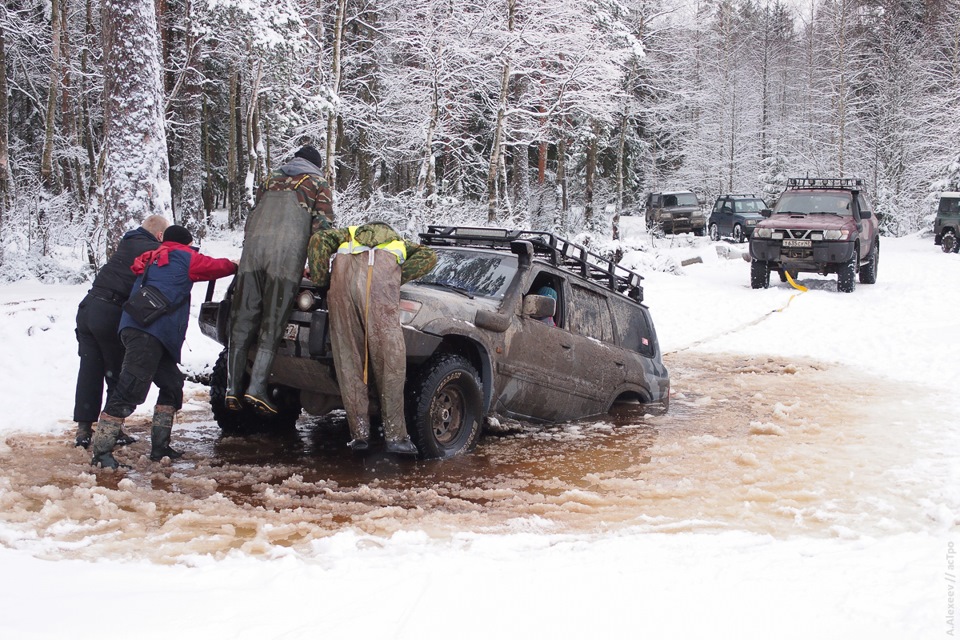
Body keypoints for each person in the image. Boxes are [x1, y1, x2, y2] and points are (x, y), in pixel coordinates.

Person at [90, 225, 237, 469]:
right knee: (130, 388)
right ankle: (102, 452)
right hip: (149, 333)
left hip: (139, 328)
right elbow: (216, 267)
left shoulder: (151, 257)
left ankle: (160, 447)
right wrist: (236, 264)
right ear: (187, 243)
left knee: (171, 385)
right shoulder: (183, 256)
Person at [307, 222, 437, 455]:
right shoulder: (399, 243)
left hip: (342, 293)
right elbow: (429, 257)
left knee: (349, 362)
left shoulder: (348, 235)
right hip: (380, 293)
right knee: (391, 365)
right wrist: (398, 275)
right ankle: (395, 437)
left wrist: (322, 281)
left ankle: (360, 436)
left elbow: (318, 241)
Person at [226, 145, 333, 416]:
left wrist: (248, 251)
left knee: (241, 322)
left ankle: (232, 388)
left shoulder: (270, 179)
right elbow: (322, 232)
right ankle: (257, 387)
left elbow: (252, 220)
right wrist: (317, 273)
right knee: (272, 323)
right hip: (285, 261)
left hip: (252, 256)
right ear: (316, 165)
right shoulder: (318, 183)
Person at [73, 214, 169, 448]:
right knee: (116, 370)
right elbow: (180, 259)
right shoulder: (153, 248)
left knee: (90, 369)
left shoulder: (129, 240)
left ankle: (83, 429)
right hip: (108, 311)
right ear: (159, 236)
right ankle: (113, 428)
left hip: (87, 308)